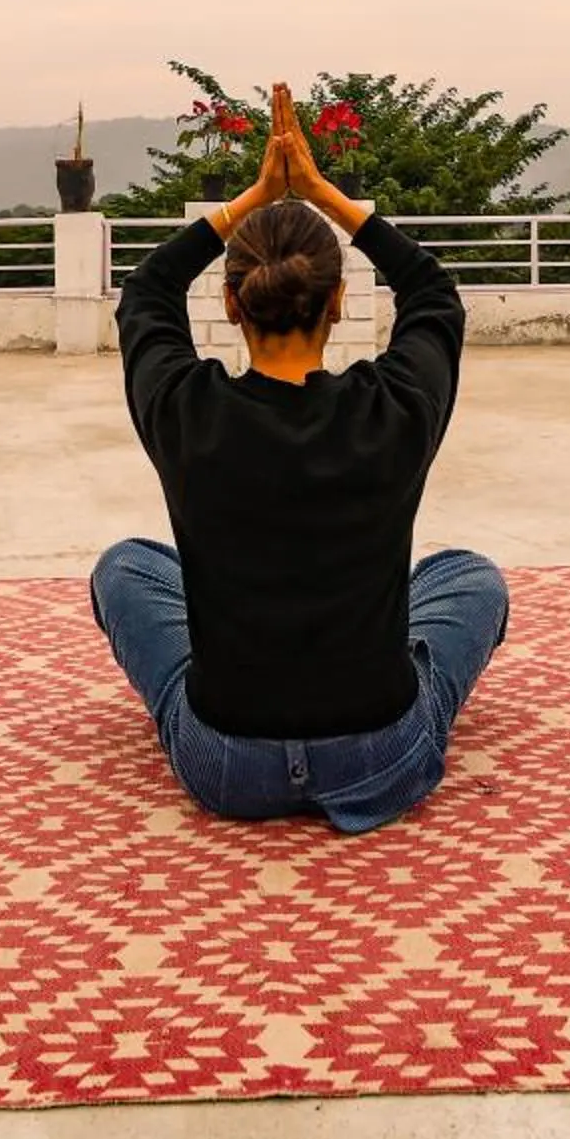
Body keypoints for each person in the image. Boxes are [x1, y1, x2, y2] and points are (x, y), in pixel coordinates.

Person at [90, 82, 507, 834]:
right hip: (382, 753)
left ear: (230, 304)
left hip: (228, 765)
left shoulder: (189, 411)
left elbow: (146, 292)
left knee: (125, 568)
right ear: (341, 302)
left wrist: (247, 202)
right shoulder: (395, 411)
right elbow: (434, 294)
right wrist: (327, 198)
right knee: (471, 578)